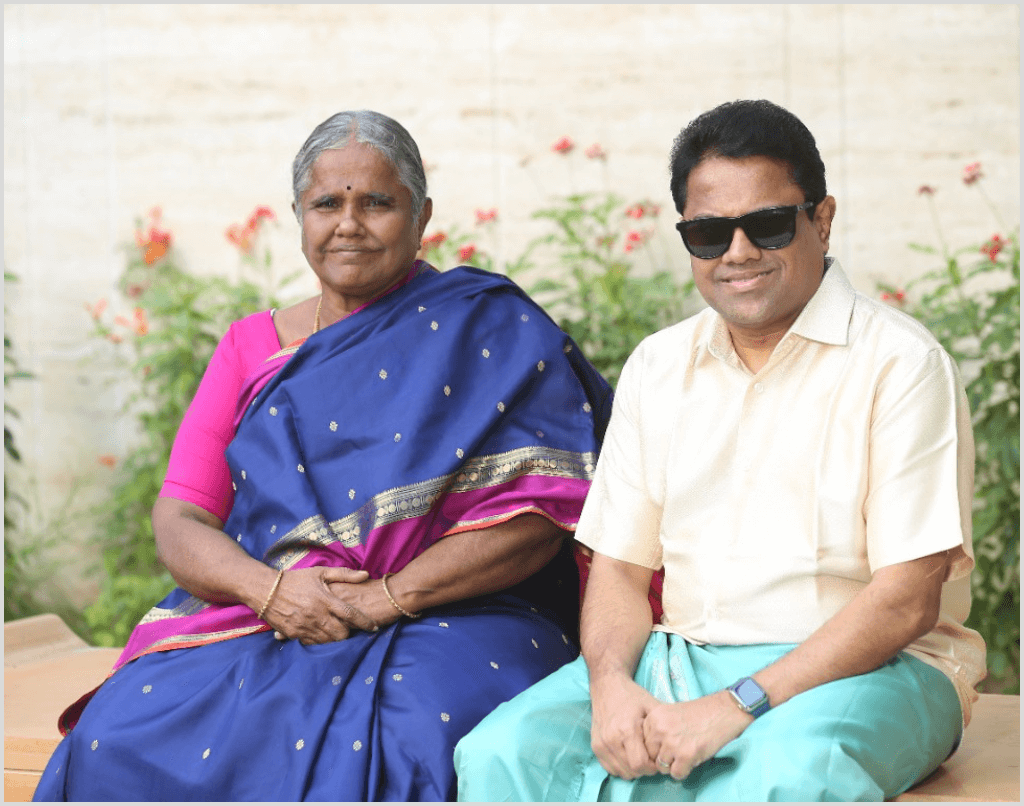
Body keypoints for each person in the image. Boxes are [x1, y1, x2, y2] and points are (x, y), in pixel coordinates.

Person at [34, 110, 612, 802]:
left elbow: (542, 511)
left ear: (421, 214)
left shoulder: (484, 326)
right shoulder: (251, 347)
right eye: (327, 204)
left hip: (461, 613)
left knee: (416, 734)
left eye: (377, 202)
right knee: (117, 733)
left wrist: (387, 597)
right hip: (270, 613)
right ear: (299, 217)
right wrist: (270, 591)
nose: (349, 223)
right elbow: (182, 516)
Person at [454, 99, 987, 802]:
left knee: (784, 780)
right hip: (679, 660)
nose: (737, 254)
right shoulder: (659, 365)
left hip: (874, 669)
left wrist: (738, 704)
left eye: (766, 225)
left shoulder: (901, 364)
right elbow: (618, 569)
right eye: (708, 233)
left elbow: (906, 601)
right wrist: (611, 686)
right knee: (499, 754)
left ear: (821, 221)